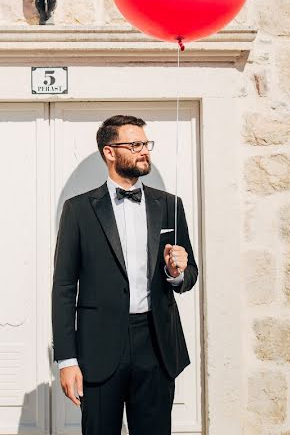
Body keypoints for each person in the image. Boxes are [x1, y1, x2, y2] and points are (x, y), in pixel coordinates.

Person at [52, 115, 199, 435]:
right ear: (109, 152)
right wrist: (67, 359)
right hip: (98, 347)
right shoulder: (78, 209)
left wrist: (176, 272)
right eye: (135, 145)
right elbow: (64, 287)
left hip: (157, 345)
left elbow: (189, 276)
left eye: (146, 144)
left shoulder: (171, 205)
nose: (144, 151)